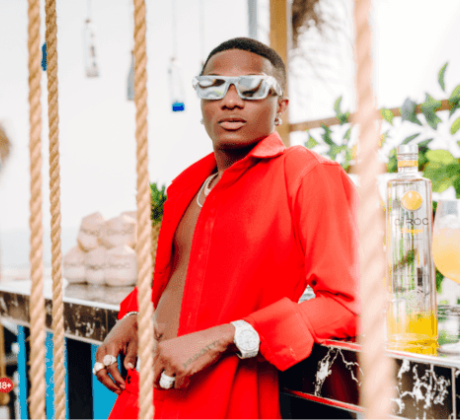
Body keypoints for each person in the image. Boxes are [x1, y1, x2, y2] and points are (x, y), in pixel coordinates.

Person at [96, 37, 359, 419]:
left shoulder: (306, 174)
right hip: (143, 392)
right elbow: (174, 282)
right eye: (214, 87)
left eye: (252, 88)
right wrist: (131, 317)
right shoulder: (186, 186)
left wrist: (226, 337)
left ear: (281, 106)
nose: (231, 100)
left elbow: (348, 304)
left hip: (224, 397)